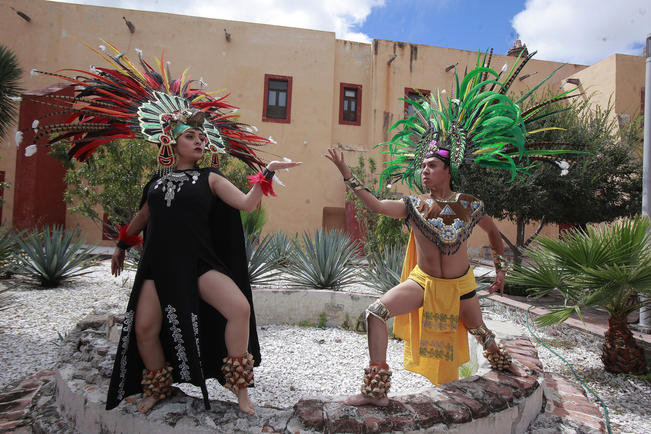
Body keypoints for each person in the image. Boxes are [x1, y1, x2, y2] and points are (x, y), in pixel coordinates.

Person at [25, 42, 300, 415]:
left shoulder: (212, 178)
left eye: (202, 138)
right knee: (144, 330)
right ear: (172, 141)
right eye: (192, 137)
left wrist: (266, 173)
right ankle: (157, 384)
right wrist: (122, 245)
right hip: (158, 265)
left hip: (200, 264)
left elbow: (248, 204)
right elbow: (141, 220)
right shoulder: (156, 184)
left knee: (238, 309)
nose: (200, 141)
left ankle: (240, 391)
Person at [325, 49, 580, 406]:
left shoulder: (470, 205)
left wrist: (501, 270)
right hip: (424, 284)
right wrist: (348, 176)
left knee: (480, 331)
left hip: (461, 286)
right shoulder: (413, 204)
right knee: (375, 313)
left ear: (447, 170)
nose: (425, 170)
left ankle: (510, 371)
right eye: (423, 166)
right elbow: (377, 205)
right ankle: (376, 392)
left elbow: (493, 233)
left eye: (432, 165)